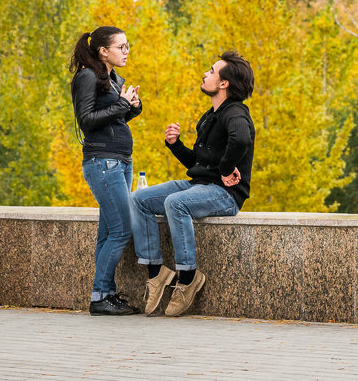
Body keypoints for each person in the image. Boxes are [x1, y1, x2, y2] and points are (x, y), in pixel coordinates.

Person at [129, 51, 255, 316]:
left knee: (175, 203)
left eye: (211, 71)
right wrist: (175, 146)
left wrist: (225, 169)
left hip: (225, 194)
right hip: (198, 186)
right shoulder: (210, 116)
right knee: (138, 200)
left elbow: (241, 140)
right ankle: (156, 271)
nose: (205, 74)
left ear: (224, 84)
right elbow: (197, 164)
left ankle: (188, 278)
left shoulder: (236, 113)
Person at [70, 26, 143, 315]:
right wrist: (121, 104)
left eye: (128, 46)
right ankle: (100, 297)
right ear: (103, 51)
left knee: (108, 233)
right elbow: (86, 120)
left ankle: (106, 294)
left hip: (120, 161)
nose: (126, 52)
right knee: (122, 230)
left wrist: (132, 107)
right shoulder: (88, 76)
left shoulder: (112, 79)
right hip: (103, 162)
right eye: (121, 47)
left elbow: (115, 119)